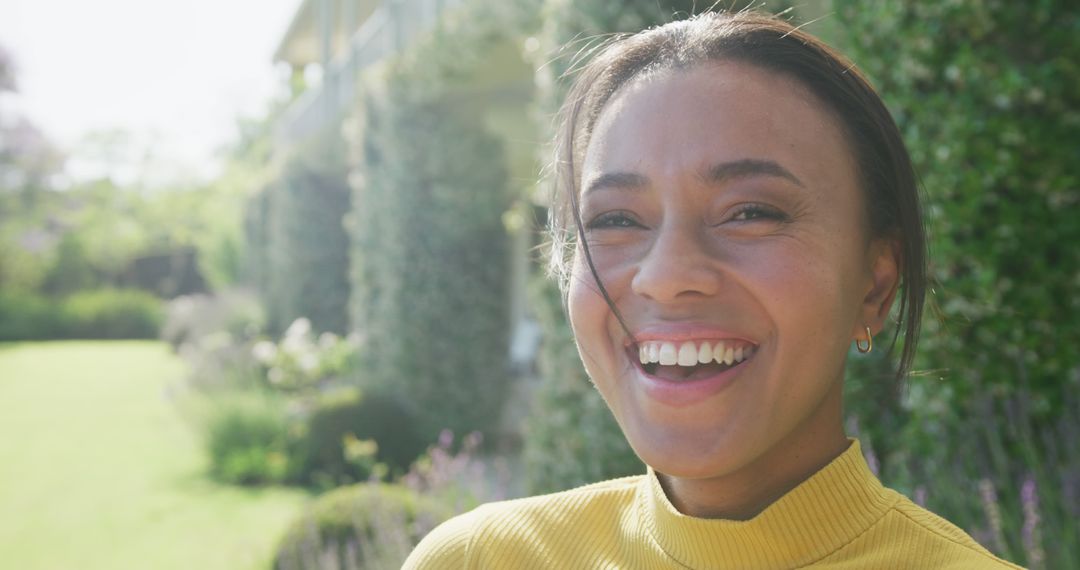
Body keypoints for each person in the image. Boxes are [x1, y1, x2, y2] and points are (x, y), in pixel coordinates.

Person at [404, 10, 1022, 569]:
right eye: (616, 220)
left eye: (750, 211)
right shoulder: (478, 559)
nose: (668, 276)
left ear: (875, 284)